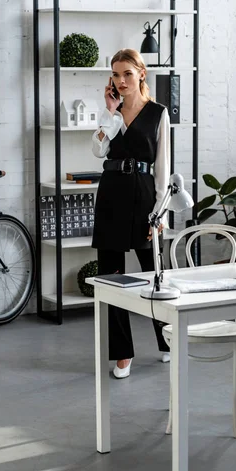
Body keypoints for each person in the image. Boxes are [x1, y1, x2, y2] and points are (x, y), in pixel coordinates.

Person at [91, 48, 170, 379]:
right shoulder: (112, 111)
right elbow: (97, 150)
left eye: (126, 73)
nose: (120, 81)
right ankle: (122, 354)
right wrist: (111, 115)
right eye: (115, 74)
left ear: (141, 74)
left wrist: (159, 211)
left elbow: (163, 167)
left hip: (143, 194)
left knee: (154, 275)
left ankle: (167, 340)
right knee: (111, 278)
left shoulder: (158, 113)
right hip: (111, 192)